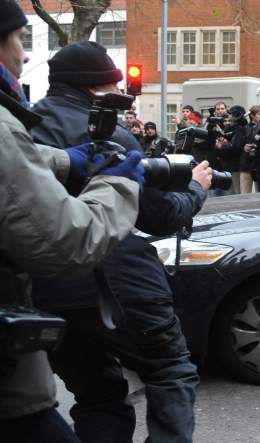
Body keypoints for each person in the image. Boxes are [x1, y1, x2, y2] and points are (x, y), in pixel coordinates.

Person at [30, 41, 208, 443]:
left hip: (45, 293)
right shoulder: (112, 137)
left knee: (97, 393)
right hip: (118, 281)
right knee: (171, 371)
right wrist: (195, 189)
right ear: (96, 87)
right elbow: (159, 215)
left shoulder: (22, 133)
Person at [0, 4, 143, 441]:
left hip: (44, 309)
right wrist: (117, 186)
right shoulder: (7, 126)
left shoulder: (32, 121)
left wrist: (64, 161)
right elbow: (67, 242)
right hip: (11, 380)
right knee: (174, 370)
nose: (24, 55)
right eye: (20, 38)